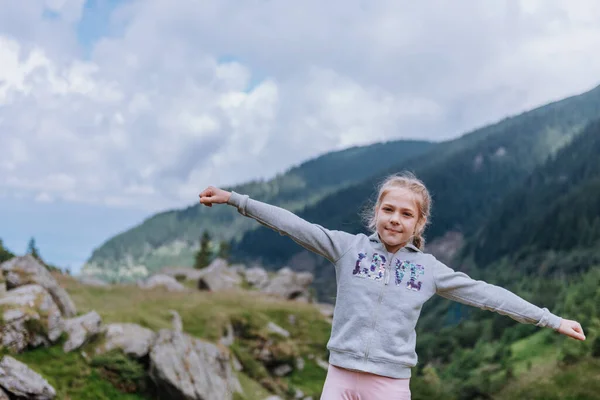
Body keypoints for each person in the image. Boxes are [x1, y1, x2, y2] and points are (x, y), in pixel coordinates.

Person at [198, 172, 585, 400]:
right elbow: (294, 224)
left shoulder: (429, 270)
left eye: (406, 214)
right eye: (388, 210)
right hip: (341, 374)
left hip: (391, 382)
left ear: (419, 224)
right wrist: (237, 199)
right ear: (376, 214)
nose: (395, 219)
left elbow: (488, 295)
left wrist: (551, 320)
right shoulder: (347, 248)